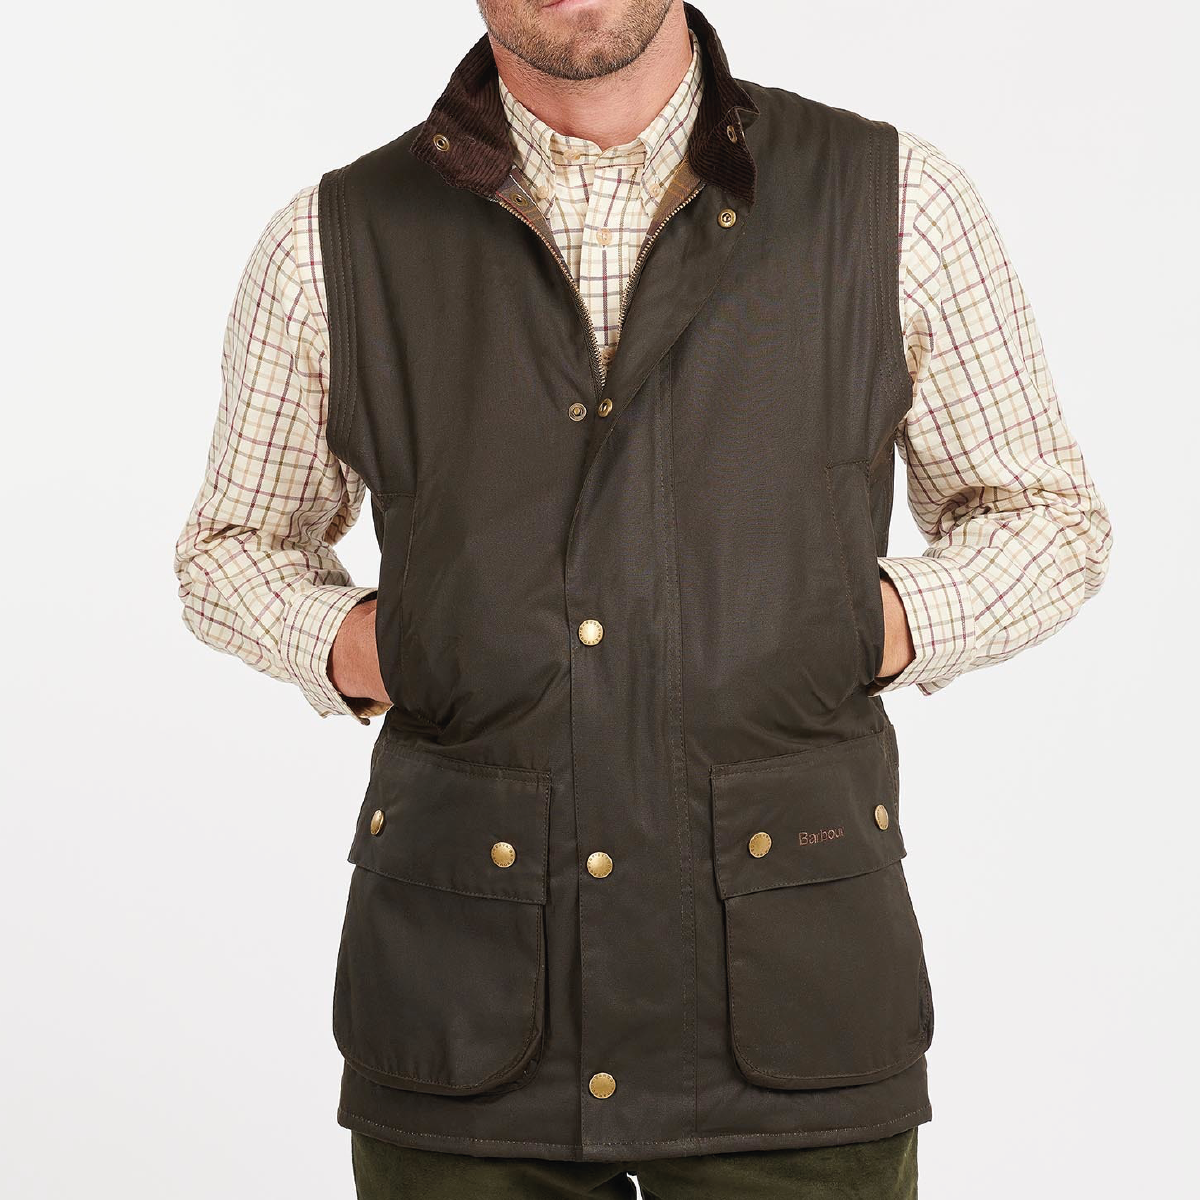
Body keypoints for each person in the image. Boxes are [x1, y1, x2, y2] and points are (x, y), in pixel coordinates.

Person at [173, 2, 1112, 1195]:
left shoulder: (893, 199)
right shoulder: (334, 237)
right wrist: (378, 647)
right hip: (463, 1007)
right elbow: (232, 547)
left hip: (796, 1005)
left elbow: (1046, 517)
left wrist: (856, 626)